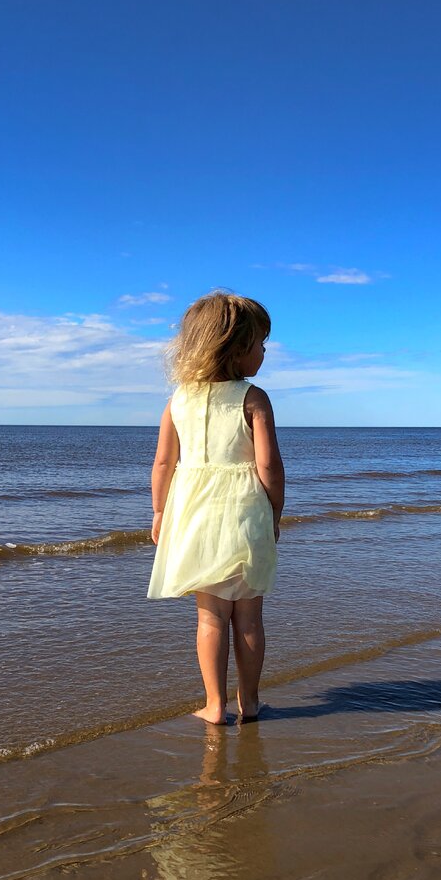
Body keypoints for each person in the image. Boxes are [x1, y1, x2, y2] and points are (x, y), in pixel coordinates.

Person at [147, 291, 285, 725]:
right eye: (260, 344)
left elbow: (164, 463)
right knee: (248, 618)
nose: (263, 353)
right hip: (245, 513)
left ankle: (213, 705)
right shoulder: (253, 397)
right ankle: (250, 702)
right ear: (237, 348)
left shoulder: (178, 399)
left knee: (209, 619)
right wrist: (275, 513)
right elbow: (268, 464)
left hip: (195, 516)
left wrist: (159, 513)